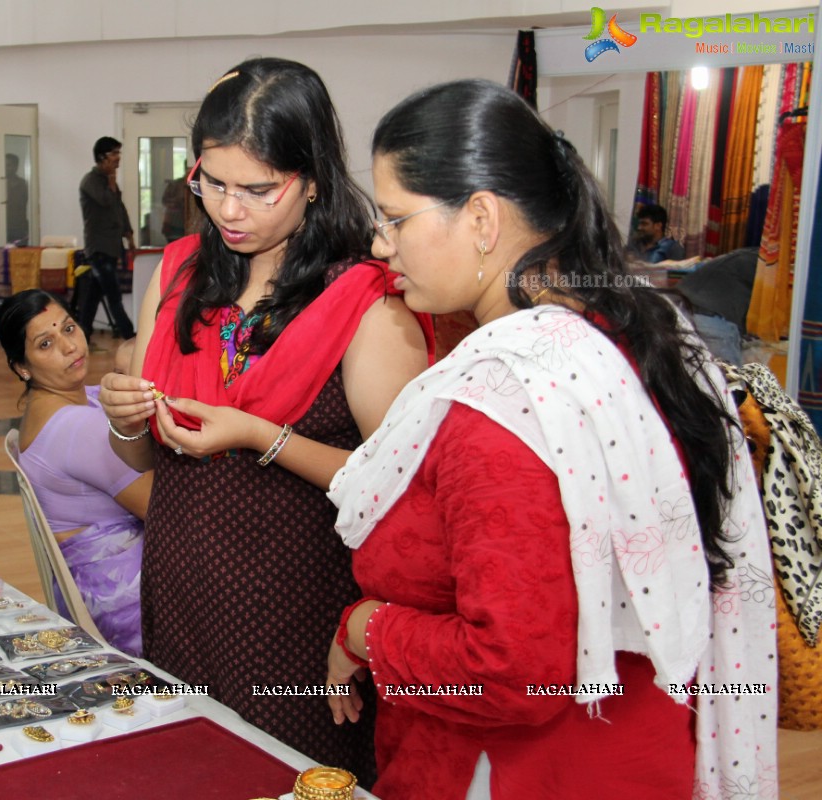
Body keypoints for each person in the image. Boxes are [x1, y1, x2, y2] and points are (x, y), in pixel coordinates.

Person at [325, 79, 776, 800]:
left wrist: (365, 628)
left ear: (480, 218)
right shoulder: (645, 331)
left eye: (395, 219)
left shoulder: (508, 399)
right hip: (638, 744)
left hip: (515, 771)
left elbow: (513, 670)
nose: (381, 246)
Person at [98, 58, 431, 782]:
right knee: (195, 771)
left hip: (298, 605)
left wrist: (262, 438)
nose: (229, 210)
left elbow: (405, 491)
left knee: (295, 776)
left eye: (257, 189)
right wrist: (128, 419)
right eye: (211, 183)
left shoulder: (368, 301)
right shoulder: (182, 273)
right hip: (182, 588)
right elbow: (145, 462)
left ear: (312, 178)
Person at [0, 290, 147, 656]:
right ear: (23, 367)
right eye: (46, 343)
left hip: (93, 593)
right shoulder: (74, 428)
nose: (69, 347)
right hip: (127, 604)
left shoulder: (67, 402)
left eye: (69, 327)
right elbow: (165, 506)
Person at [78, 136, 136, 340]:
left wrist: (129, 235)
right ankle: (130, 336)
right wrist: (111, 183)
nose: (118, 158)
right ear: (101, 157)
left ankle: (83, 331)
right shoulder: (91, 181)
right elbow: (105, 201)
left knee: (93, 295)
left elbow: (119, 209)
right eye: (114, 154)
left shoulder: (108, 182)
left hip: (111, 248)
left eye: (118, 153)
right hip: (99, 249)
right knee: (114, 296)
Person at [675, 246, 758, 365]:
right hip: (710, 317)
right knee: (727, 378)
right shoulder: (771, 268)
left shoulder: (745, 256)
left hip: (681, 309)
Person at [4, 152, 30, 245]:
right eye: (5, 165)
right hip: (3, 228)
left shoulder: (22, 184)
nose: (6, 168)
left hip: (19, 229)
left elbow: (23, 204)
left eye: (9, 165)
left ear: (16, 167)